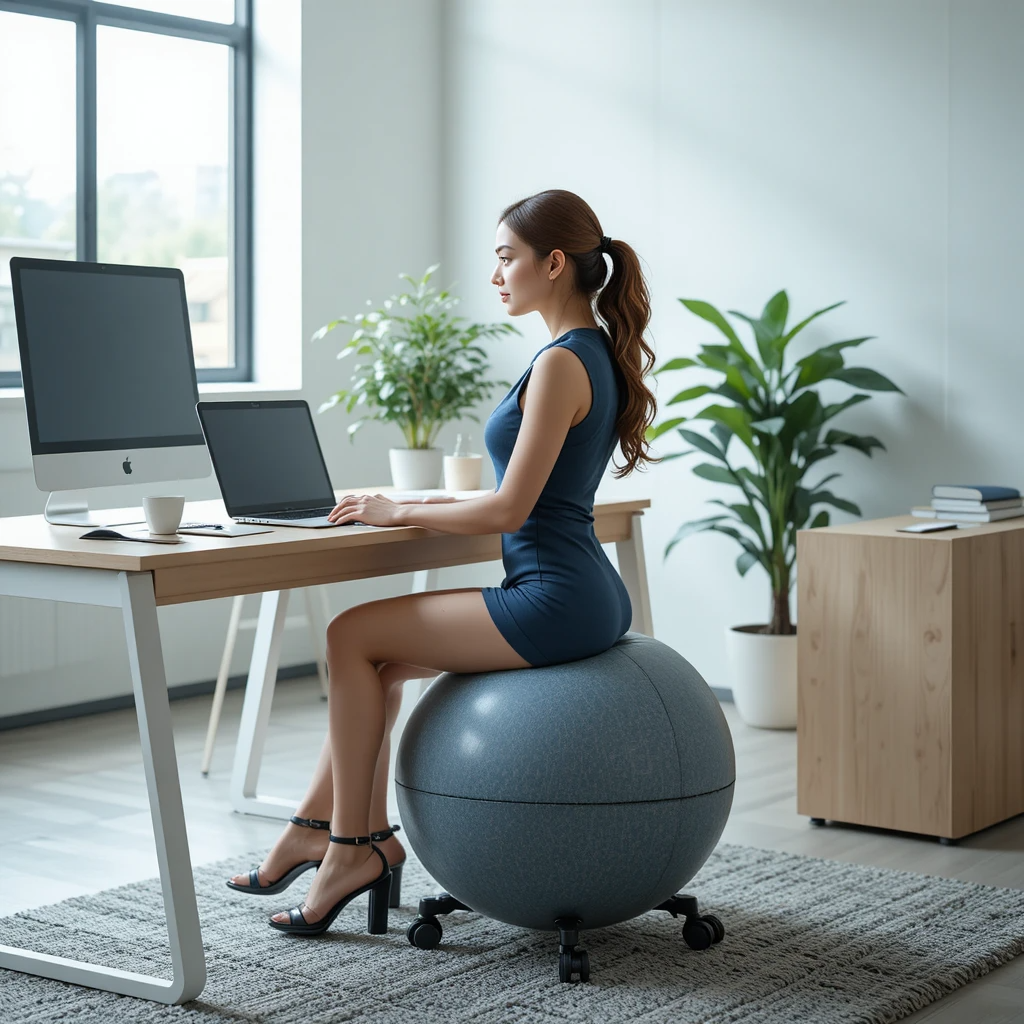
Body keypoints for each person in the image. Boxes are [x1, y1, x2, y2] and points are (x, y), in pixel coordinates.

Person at [226, 188, 660, 935]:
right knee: (381, 664)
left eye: (506, 258)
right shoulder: (590, 352)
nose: (496, 275)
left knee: (349, 636)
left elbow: (509, 510)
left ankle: (350, 848)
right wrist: (407, 501)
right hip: (584, 591)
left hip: (555, 598)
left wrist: (398, 513)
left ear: (554, 263)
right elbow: (530, 494)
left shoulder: (561, 364)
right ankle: (319, 831)